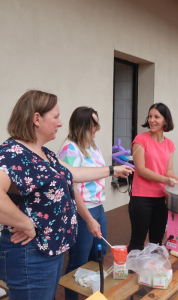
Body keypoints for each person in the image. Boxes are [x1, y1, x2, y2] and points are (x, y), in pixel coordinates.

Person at [0, 90, 133, 300]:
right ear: (36, 119)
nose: (60, 123)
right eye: (55, 117)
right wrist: (26, 223)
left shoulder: (45, 154)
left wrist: (111, 170)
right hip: (31, 253)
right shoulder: (11, 153)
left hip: (50, 249)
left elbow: (74, 173)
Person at [57, 107, 110, 300]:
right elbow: (71, 190)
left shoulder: (92, 144)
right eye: (93, 124)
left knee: (98, 255)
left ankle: (92, 295)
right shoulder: (69, 149)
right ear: (82, 125)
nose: (97, 128)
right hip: (81, 212)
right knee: (78, 262)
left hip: (98, 207)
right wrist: (87, 218)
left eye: (97, 123)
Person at [128, 103, 178, 252]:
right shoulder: (140, 139)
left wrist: (177, 179)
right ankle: (131, 273)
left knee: (156, 242)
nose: (152, 120)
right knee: (137, 241)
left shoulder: (170, 144)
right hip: (141, 198)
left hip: (161, 199)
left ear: (165, 121)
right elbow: (141, 170)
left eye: (156, 117)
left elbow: (168, 170)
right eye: (150, 116)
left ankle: (151, 273)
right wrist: (166, 180)